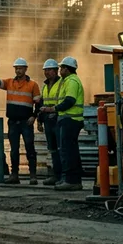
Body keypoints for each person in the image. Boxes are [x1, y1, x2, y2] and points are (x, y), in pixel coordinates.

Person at [0, 57, 42, 184]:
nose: (18, 71)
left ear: (25, 69)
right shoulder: (9, 82)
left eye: (20, 68)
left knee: (30, 147)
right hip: (13, 121)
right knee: (14, 149)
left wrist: (34, 116)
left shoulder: (33, 85)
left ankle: (33, 175)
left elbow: (39, 103)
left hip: (26, 122)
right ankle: (14, 175)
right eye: (16, 68)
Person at [41, 56, 84, 191]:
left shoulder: (71, 81)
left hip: (70, 120)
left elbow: (69, 100)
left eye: (61, 68)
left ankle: (71, 180)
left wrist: (53, 109)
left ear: (67, 69)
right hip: (67, 120)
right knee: (68, 150)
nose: (60, 70)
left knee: (68, 151)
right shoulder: (68, 81)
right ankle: (70, 179)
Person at [38, 59, 63, 186]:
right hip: (48, 120)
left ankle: (62, 176)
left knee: (60, 148)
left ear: (56, 71)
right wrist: (39, 121)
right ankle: (56, 175)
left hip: (58, 118)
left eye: (50, 70)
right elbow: (41, 104)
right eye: (45, 70)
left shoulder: (61, 84)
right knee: (52, 149)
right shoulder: (44, 86)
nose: (47, 72)